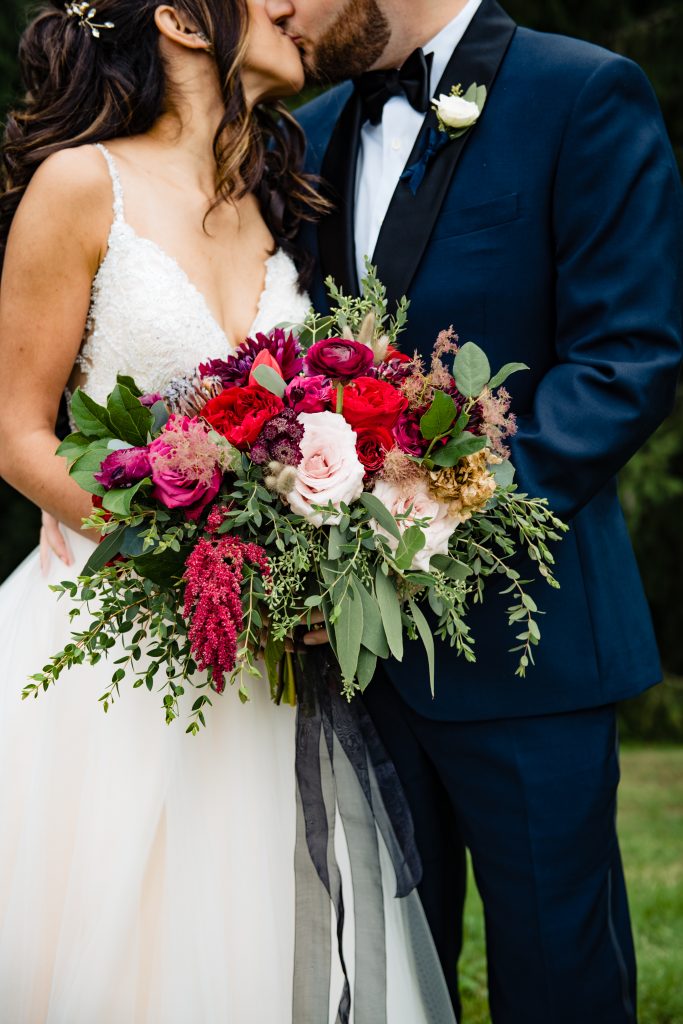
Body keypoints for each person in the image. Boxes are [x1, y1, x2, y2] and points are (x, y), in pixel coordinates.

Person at [0, 2, 457, 1021]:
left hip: (264, 663)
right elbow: (18, 431)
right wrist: (174, 551)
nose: (297, 6)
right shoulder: (83, 184)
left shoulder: (269, 196)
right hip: (112, 637)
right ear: (177, 18)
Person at [268, 0, 683, 1020]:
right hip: (352, 665)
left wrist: (438, 519)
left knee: (558, 976)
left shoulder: (578, 93)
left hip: (530, 647)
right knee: (385, 978)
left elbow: (625, 361)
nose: (272, 6)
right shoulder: (307, 135)